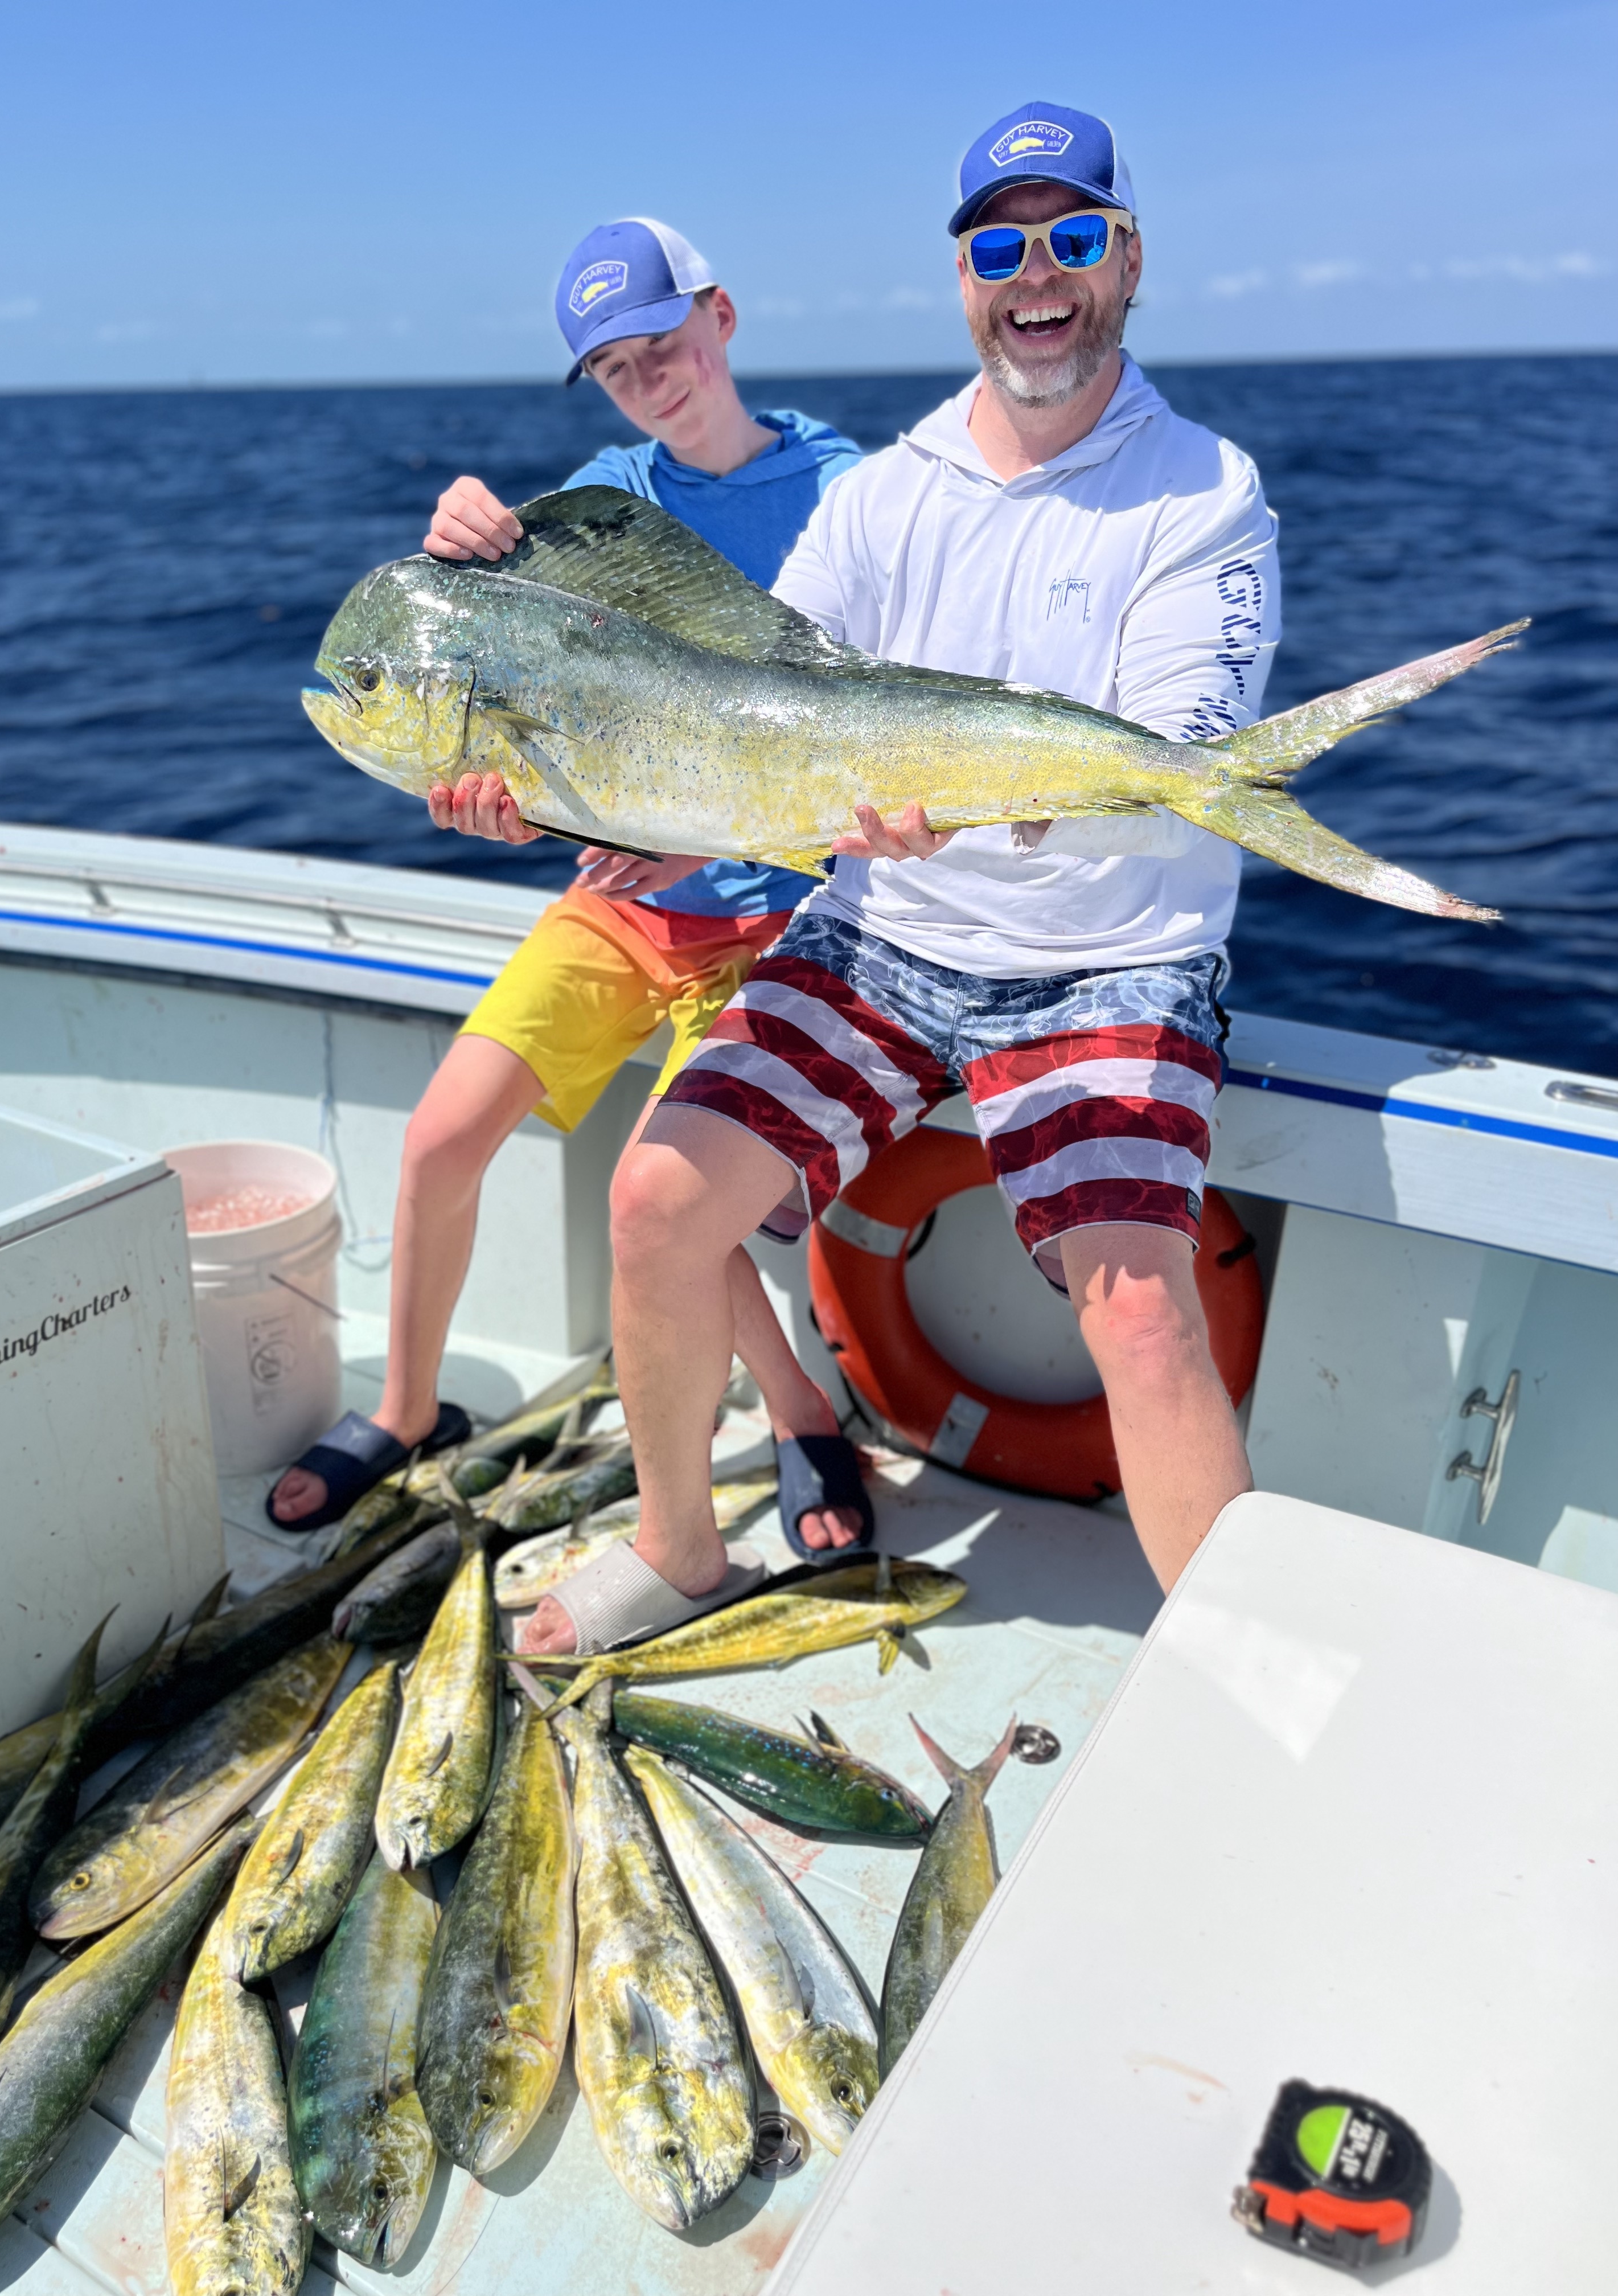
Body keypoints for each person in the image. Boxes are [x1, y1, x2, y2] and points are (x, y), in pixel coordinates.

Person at [518, 100, 1282, 1657]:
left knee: (1137, 1303)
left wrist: (948, 790)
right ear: (962, 279)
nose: (1036, 274)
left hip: (1112, 955)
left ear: (1128, 259)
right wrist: (555, 801)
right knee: (658, 1200)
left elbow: (1176, 758)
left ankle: (1229, 1688)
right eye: (1000, 246)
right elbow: (763, 710)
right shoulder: (885, 497)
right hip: (887, 925)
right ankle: (681, 1546)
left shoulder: (1208, 495)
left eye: (1074, 237)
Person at [268, 217, 874, 1581]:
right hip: (622, 901)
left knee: (665, 1196)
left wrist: (726, 849)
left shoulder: (864, 494)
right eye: (614, 367)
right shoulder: (602, 494)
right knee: (436, 1142)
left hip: (778, 919)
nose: (650, 381)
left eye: (663, 345)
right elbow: (519, 699)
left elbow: (866, 756)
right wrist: (461, 535)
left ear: (722, 317)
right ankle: (408, 1411)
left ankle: (801, 1414)